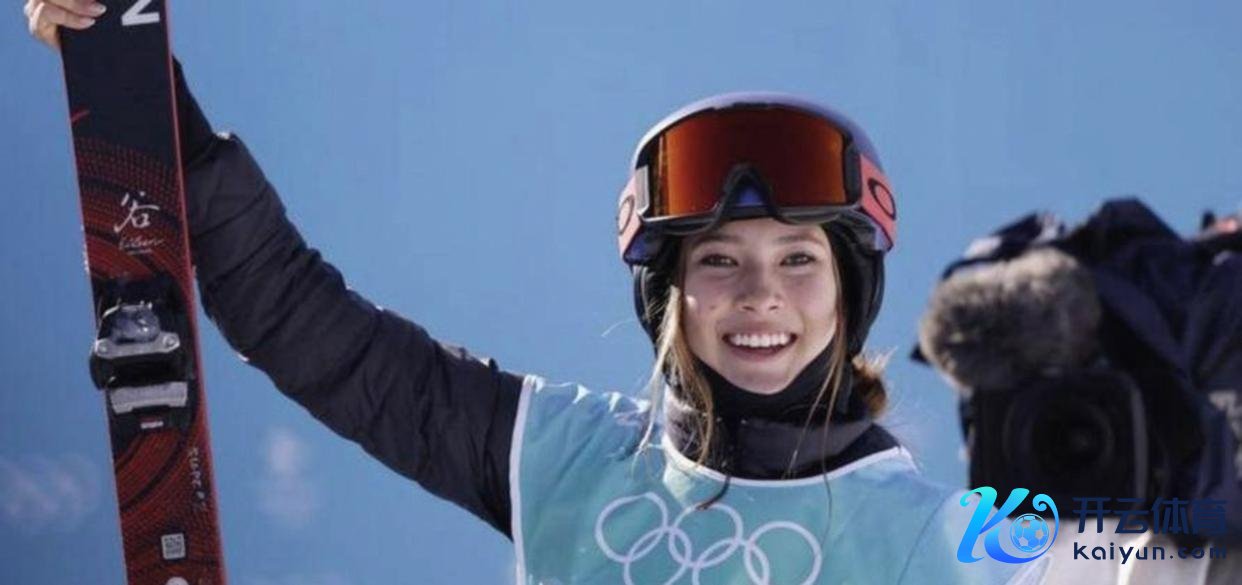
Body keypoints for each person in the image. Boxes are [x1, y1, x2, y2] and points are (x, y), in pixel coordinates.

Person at [26, 3, 1047, 583]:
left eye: (797, 261)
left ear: (848, 294)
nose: (759, 295)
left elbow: (1115, 556)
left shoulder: (943, 536)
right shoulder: (568, 458)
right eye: (718, 262)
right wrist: (139, 91)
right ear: (669, 299)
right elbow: (309, 328)